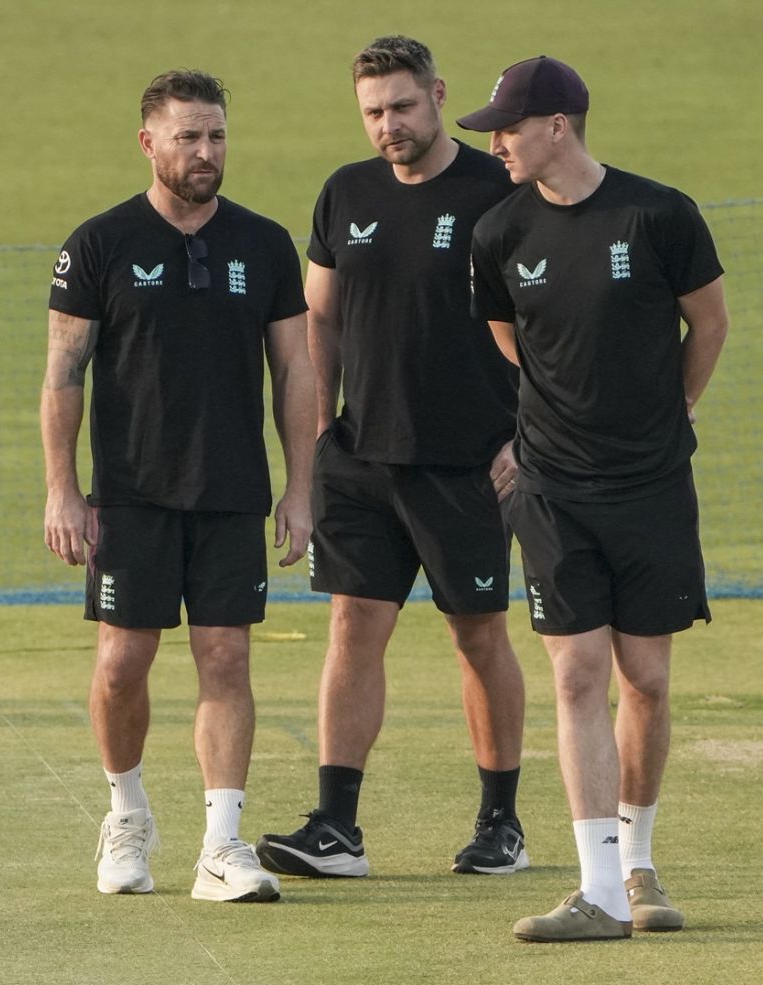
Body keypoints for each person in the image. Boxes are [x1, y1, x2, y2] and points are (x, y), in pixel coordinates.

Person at [459, 56, 730, 940]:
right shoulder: (499, 232)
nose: (495, 142)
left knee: (644, 676)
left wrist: (673, 411)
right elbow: (513, 341)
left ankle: (639, 861)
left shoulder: (659, 214)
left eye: (507, 126)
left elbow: (711, 321)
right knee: (576, 671)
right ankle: (599, 889)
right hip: (551, 487)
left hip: (652, 484)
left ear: (559, 125)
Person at [254, 36, 528, 880]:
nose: (388, 125)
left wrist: (528, 436)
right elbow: (319, 322)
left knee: (477, 634)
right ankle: (337, 827)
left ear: (439, 95)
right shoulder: (346, 192)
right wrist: (319, 434)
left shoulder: (498, 193)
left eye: (403, 106)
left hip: (471, 464)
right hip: (361, 460)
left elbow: (550, 322)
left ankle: (501, 826)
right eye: (373, 111)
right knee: (352, 626)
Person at [41, 68, 315, 904]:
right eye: (189, 136)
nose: (206, 151)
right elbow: (64, 370)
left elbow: (296, 370)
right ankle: (126, 815)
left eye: (218, 135)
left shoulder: (264, 245)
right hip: (129, 494)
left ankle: (222, 846)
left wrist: (301, 487)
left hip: (232, 491)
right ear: (149, 141)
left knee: (226, 656)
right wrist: (63, 487)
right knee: (124, 662)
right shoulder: (98, 244)